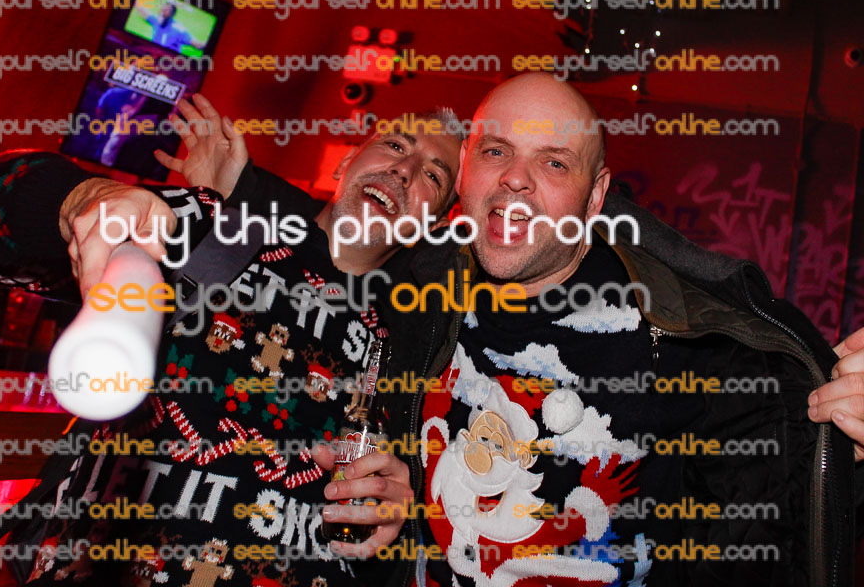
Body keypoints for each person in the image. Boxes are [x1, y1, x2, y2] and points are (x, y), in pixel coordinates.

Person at [150, 82, 864, 586]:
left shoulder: (688, 342)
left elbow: (782, 511)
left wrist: (847, 446)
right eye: (495, 151)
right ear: (466, 182)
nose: (516, 179)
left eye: (553, 161)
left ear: (595, 194)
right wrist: (213, 196)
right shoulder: (420, 298)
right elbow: (340, 242)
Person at [0, 99, 463, 586]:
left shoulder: (412, 348)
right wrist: (81, 199)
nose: (404, 169)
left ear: (434, 225)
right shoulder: (216, 231)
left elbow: (391, 540)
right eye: (395, 144)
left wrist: (393, 512)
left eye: (433, 176)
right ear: (345, 161)